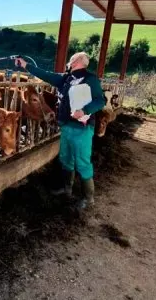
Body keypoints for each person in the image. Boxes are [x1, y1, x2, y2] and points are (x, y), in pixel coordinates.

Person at [15, 52, 105, 209]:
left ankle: (88, 197)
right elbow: (46, 75)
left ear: (77, 61)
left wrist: (84, 110)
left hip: (82, 128)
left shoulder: (91, 79)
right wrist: (26, 65)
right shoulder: (66, 78)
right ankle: (66, 188)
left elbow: (100, 100)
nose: (69, 62)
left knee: (82, 161)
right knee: (66, 158)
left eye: (71, 60)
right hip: (66, 126)